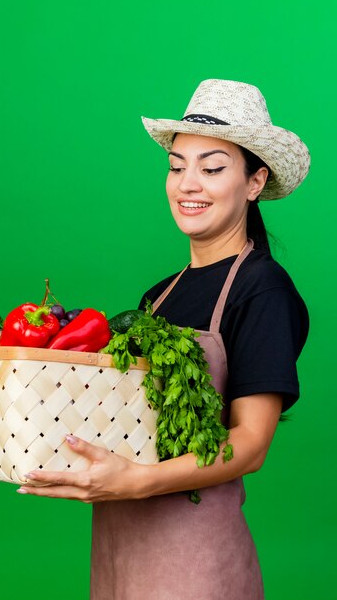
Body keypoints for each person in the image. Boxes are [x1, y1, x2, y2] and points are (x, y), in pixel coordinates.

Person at [17, 79, 310, 599]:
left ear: (254, 181)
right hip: (118, 547)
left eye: (213, 168)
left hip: (195, 561)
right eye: (177, 167)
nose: (188, 184)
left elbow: (249, 444)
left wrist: (133, 482)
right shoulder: (156, 298)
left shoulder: (261, 289)